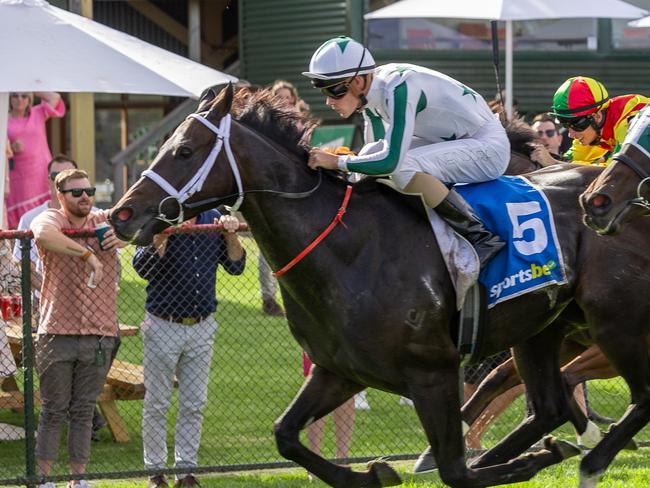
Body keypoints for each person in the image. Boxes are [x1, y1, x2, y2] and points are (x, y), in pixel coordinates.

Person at [303, 36, 510, 268]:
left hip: (488, 146)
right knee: (371, 152)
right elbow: (373, 155)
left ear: (359, 82)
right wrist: (350, 166)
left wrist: (338, 162)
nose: (329, 102)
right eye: (324, 93)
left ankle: (481, 237)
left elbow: (390, 162)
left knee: (404, 165)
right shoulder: (370, 95)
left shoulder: (399, 88)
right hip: (457, 140)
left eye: (335, 91)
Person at [133, 210, 246, 488]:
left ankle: (185, 472)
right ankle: (155, 472)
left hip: (202, 325)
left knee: (194, 404)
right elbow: (143, 269)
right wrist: (163, 235)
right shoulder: (159, 218)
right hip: (163, 324)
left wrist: (231, 233)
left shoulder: (213, 219)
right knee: (157, 403)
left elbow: (236, 266)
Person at [30, 169, 123, 488]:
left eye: (89, 190)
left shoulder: (103, 222)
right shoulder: (53, 219)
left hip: (99, 335)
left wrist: (123, 236)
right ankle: (43, 479)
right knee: (53, 410)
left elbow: (143, 225)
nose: (85, 196)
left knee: (83, 411)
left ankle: (77, 480)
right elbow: (41, 234)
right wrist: (87, 254)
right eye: (76, 192)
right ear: (60, 196)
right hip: (57, 333)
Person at [537, 76, 649, 167]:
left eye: (576, 123)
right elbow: (570, 160)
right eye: (565, 124)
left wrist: (555, 163)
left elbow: (615, 173)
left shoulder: (629, 122)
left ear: (597, 116)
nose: (570, 134)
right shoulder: (594, 128)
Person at [6, 92, 65, 229]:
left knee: (45, 215)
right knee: (20, 224)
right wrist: (11, 147)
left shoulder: (37, 113)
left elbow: (54, 97)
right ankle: (20, 250)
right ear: (9, 98)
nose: (19, 99)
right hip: (18, 177)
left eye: (24, 96)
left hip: (40, 173)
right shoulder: (3, 119)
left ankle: (45, 245)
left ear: (30, 98)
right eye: (15, 95)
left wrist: (27, 82)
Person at [302, 352, 355, 478]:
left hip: (345, 339)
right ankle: (314, 464)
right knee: (317, 389)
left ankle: (343, 461)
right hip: (318, 338)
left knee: (347, 387)